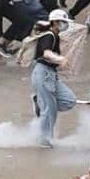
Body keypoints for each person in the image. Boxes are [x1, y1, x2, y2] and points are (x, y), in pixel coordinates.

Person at [31, 9, 78, 148]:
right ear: (56, 23)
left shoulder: (54, 36)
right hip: (43, 74)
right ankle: (44, 139)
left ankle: (40, 103)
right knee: (49, 110)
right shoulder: (50, 36)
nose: (65, 25)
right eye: (63, 22)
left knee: (69, 100)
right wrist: (60, 59)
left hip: (51, 75)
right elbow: (46, 53)